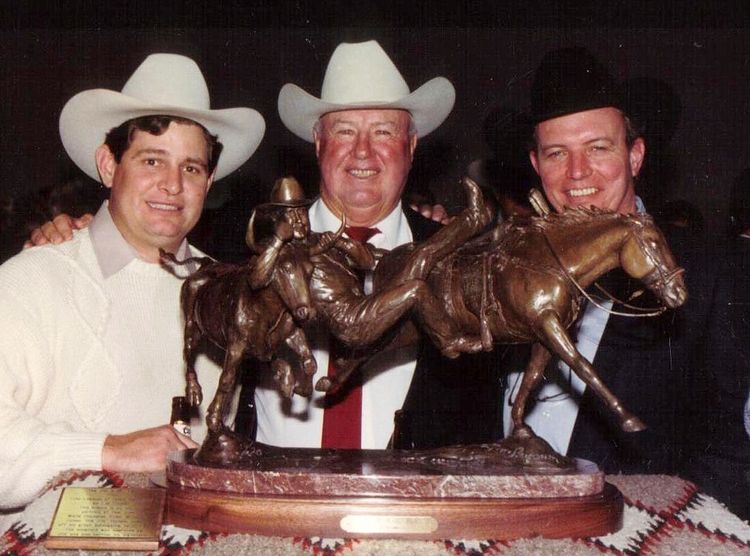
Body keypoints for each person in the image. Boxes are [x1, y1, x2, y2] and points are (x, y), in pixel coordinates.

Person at [0, 53, 264, 509]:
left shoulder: (227, 294)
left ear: (210, 180)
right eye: (151, 161)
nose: (172, 185)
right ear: (107, 165)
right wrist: (108, 450)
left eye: (191, 168)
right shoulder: (28, 281)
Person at [499, 46, 748, 517]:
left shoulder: (713, 272)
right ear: (536, 165)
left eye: (598, 147)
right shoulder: (510, 263)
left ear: (635, 156)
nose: (577, 173)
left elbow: (735, 455)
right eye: (557, 153)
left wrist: (654, 533)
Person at [249, 40, 501, 450]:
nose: (362, 151)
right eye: (345, 131)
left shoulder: (463, 262)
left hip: (413, 508)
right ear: (318, 143)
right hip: (270, 506)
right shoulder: (253, 250)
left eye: (383, 131)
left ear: (411, 145)